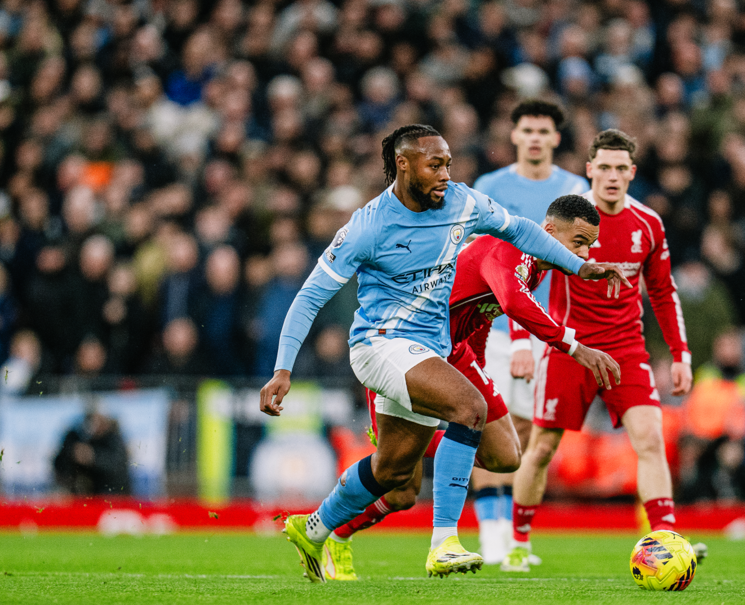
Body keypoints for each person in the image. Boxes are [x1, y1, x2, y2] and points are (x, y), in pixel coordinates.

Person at [260, 125, 628, 581]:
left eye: (448, 164)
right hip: (380, 344)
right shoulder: (367, 226)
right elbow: (309, 297)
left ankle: (314, 529)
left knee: (394, 475)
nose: (445, 175)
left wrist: (581, 266)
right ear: (403, 164)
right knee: (468, 408)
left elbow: (521, 230)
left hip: (433, 349)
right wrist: (282, 369)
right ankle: (444, 543)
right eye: (435, 165)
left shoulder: (462, 202)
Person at [320, 195, 622, 580]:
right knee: (400, 491)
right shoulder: (508, 245)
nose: (585, 252)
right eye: (579, 242)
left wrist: (476, 369)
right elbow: (513, 303)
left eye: (590, 245)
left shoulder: (538, 267)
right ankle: (338, 534)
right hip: (409, 349)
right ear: (548, 232)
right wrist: (577, 347)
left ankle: (430, 446)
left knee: (508, 456)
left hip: (454, 353)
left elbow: (478, 317)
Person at [505, 129, 699, 572]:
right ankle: (518, 541)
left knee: (650, 438)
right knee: (542, 447)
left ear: (632, 172)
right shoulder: (565, 216)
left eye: (620, 169)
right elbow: (519, 280)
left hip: (626, 348)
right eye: (604, 168)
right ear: (590, 169)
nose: (612, 177)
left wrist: (681, 354)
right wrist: (521, 343)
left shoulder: (648, 223)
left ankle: (665, 538)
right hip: (568, 347)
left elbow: (664, 293)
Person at [470, 100, 589, 563]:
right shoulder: (490, 187)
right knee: (486, 423)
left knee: (525, 432)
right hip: (494, 323)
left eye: (544, 130)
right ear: (515, 135)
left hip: (550, 325)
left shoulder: (576, 189)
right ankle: (492, 534)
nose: (536, 137)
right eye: (528, 130)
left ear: (556, 139)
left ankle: (512, 535)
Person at [52, 411, 131, 496]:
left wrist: (93, 457)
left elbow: (117, 465)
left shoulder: (114, 439)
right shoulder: (78, 438)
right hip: (88, 496)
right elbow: (61, 465)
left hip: (114, 495)